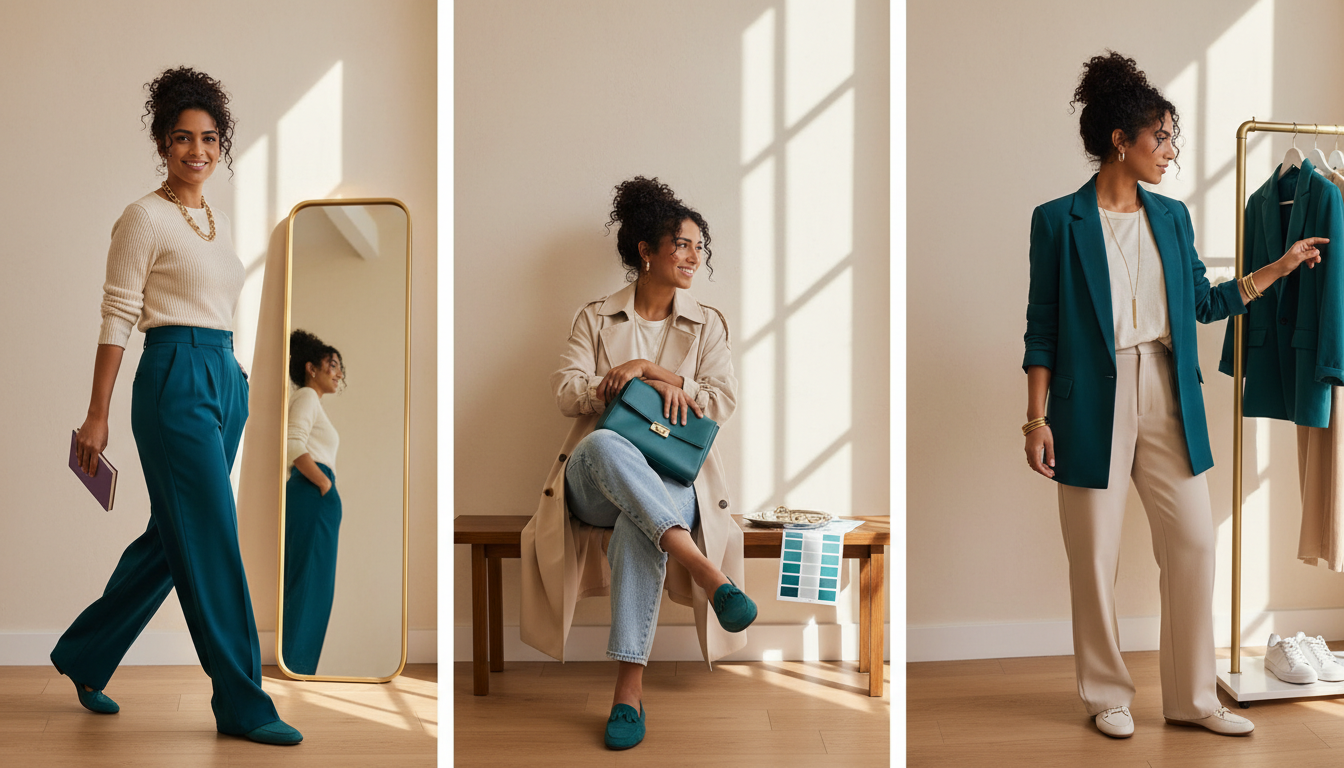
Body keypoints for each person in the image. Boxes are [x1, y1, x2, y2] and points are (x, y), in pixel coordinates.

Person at [1023, 51, 1327, 739]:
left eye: (1171, 136)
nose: (1171, 150)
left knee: (1192, 542)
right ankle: (1107, 694)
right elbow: (1041, 329)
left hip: (1166, 390)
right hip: (1085, 404)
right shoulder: (1056, 221)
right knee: (1094, 555)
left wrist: (1275, 269)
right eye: (1160, 137)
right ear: (1119, 141)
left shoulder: (1172, 217)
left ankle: (1192, 698)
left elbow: (1201, 304)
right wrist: (1034, 419)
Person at [52, 67, 302, 746]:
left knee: (174, 538)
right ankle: (242, 700)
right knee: (214, 537)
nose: (198, 150)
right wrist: (96, 412)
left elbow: (214, 302)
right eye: (184, 138)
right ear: (163, 143)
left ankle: (83, 653)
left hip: (222, 379)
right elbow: (118, 315)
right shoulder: (144, 217)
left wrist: (236, 375)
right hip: (172, 380)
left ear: (221, 146)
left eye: (210, 138)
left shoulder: (213, 222)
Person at [520, 177, 756, 750]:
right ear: (646, 250)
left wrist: (657, 372)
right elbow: (564, 391)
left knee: (639, 524)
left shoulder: (710, 323)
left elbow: (722, 400)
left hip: (672, 481)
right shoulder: (596, 318)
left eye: (699, 246)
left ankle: (628, 693)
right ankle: (705, 571)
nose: (693, 256)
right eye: (681, 244)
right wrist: (613, 382)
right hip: (594, 480)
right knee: (600, 445)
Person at [282, 330, 345, 676]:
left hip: (315, 495)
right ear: (310, 367)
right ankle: (296, 667)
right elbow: (294, 445)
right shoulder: (306, 395)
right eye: (331, 365)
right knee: (309, 585)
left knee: (313, 585)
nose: (338, 373)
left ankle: (299, 666)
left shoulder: (311, 400)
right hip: (312, 491)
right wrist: (323, 484)